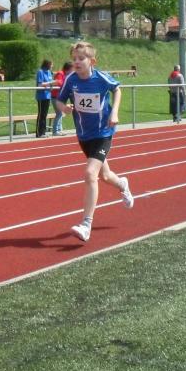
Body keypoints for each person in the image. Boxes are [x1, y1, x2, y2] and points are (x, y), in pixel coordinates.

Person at [53, 41, 134, 242]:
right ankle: (123, 184)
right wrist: (64, 108)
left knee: (90, 173)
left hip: (103, 132)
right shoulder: (71, 80)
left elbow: (117, 89)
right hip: (84, 135)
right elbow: (59, 100)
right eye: (74, 58)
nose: (77, 62)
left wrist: (114, 112)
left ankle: (86, 224)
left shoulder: (100, 78)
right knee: (105, 176)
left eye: (81, 58)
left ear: (92, 61)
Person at [51, 60, 73, 135]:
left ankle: (59, 130)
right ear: (68, 68)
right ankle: (55, 131)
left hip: (61, 97)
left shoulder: (67, 75)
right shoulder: (60, 73)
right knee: (59, 113)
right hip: (55, 97)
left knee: (60, 113)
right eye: (72, 69)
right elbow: (59, 82)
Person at [35, 59, 54, 137]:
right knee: (41, 114)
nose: (52, 66)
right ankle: (38, 133)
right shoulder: (40, 72)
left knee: (45, 114)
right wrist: (50, 83)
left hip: (48, 95)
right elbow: (40, 84)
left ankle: (43, 132)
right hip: (41, 96)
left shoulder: (49, 72)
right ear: (47, 64)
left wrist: (52, 85)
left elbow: (50, 83)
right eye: (51, 64)